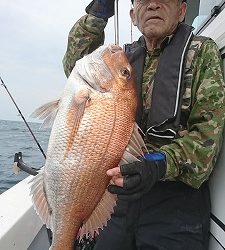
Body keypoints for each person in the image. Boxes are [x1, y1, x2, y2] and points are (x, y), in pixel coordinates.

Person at [63, 0, 225, 249]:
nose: (153, 5)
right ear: (133, 16)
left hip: (175, 203)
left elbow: (206, 138)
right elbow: (76, 66)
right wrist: (99, 12)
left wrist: (158, 165)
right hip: (118, 197)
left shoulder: (202, 51)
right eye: (143, 0)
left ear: (182, 11)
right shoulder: (120, 60)